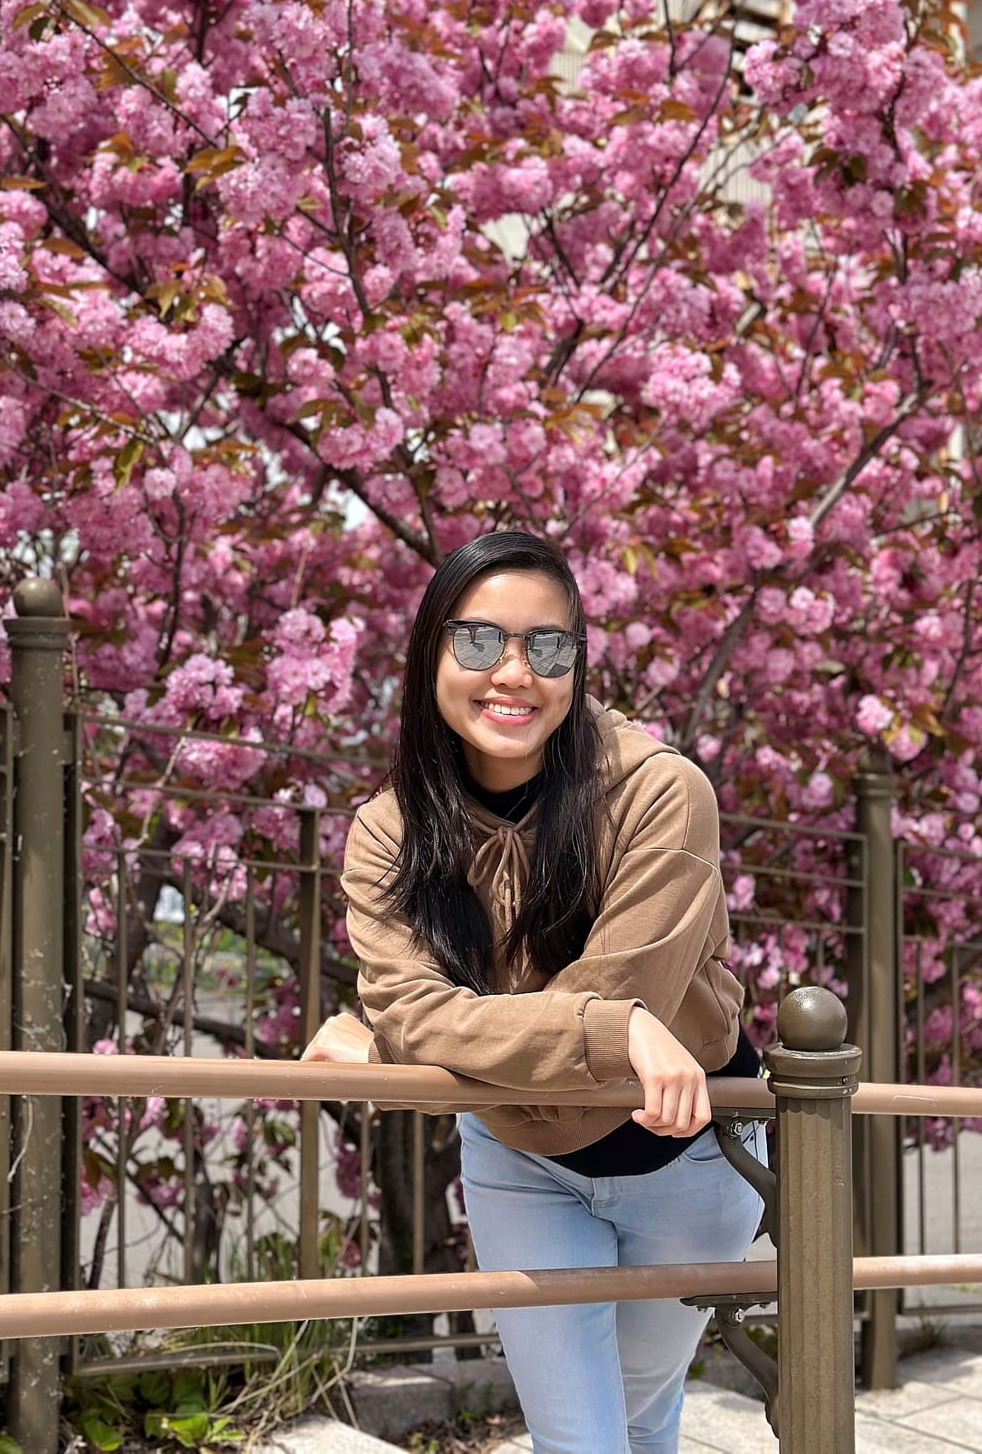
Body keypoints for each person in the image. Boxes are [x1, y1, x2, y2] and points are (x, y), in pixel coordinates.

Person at [303, 529, 766, 1454]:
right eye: (479, 640)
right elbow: (448, 1011)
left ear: (577, 662)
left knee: (638, 1420)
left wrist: (398, 1047)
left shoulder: (660, 793)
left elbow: (603, 1001)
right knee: (583, 1442)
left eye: (548, 647)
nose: (514, 673)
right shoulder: (388, 832)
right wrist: (604, 1034)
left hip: (689, 1159)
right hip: (520, 1165)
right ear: (431, 652)